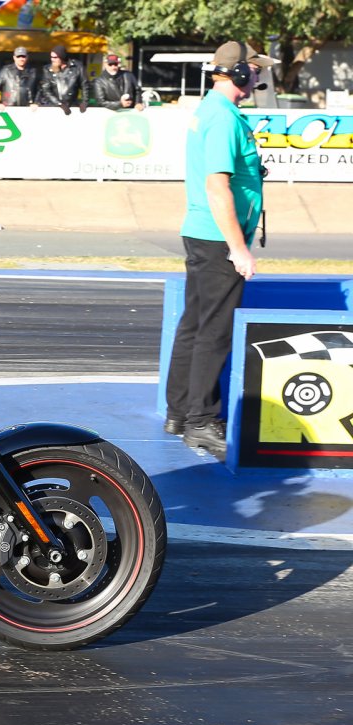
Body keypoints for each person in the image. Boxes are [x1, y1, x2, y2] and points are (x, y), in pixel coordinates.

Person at [166, 41, 275, 457]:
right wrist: (238, 248)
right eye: (254, 69)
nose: (258, 77)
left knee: (195, 324)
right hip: (217, 239)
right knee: (215, 331)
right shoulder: (224, 118)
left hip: (203, 233)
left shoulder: (212, 111)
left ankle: (179, 412)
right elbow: (217, 187)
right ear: (240, 73)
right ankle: (201, 421)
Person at [37, 44, 84, 114]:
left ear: (62, 57)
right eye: (51, 57)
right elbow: (46, 90)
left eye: (55, 57)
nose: (52, 59)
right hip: (53, 107)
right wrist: (59, 104)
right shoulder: (48, 69)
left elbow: (84, 85)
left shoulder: (75, 68)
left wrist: (84, 102)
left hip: (71, 106)